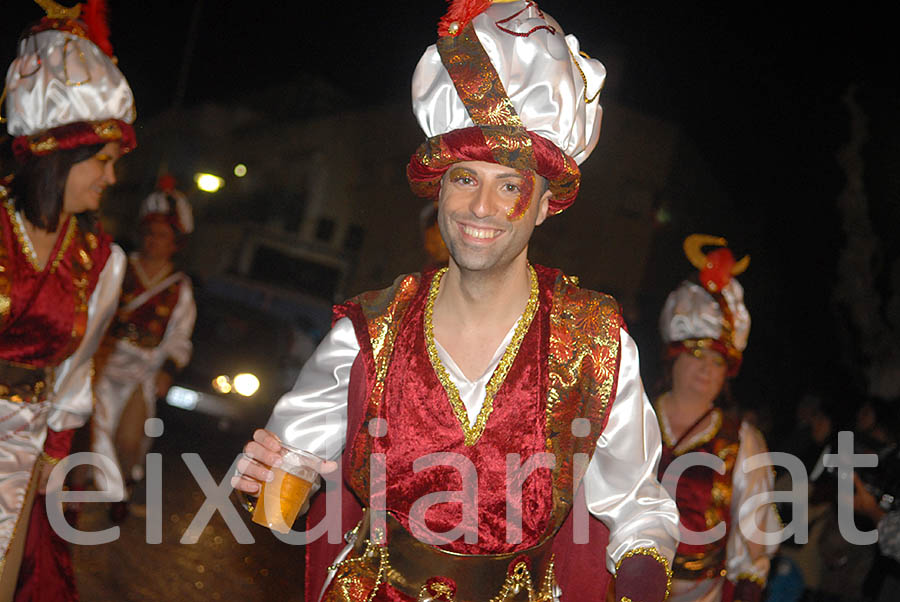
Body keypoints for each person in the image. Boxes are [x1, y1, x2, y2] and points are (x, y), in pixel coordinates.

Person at [233, 2, 679, 601]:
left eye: (511, 186)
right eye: (466, 178)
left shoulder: (593, 344)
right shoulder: (370, 330)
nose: (480, 209)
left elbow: (638, 506)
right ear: (439, 188)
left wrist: (643, 582)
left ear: (546, 204)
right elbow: (284, 487)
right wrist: (267, 483)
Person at [0, 0, 135, 599]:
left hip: (22, 444)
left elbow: (73, 375)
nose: (110, 178)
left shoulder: (102, 261)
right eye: (102, 162)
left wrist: (53, 457)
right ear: (59, 154)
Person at [655, 235, 779, 602]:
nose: (707, 370)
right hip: (611, 584)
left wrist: (748, 582)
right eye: (697, 355)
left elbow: (755, 529)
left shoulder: (741, 440)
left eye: (717, 361)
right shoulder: (630, 416)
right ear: (673, 357)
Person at [90, 176, 195, 521]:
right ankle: (88, 498)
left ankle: (124, 483)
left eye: (162, 235)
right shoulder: (119, 267)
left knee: (130, 439)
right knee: (93, 430)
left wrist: (168, 369)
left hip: (142, 370)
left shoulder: (179, 288)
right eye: (149, 233)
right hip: (104, 363)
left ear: (175, 243)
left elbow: (180, 336)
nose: (153, 241)